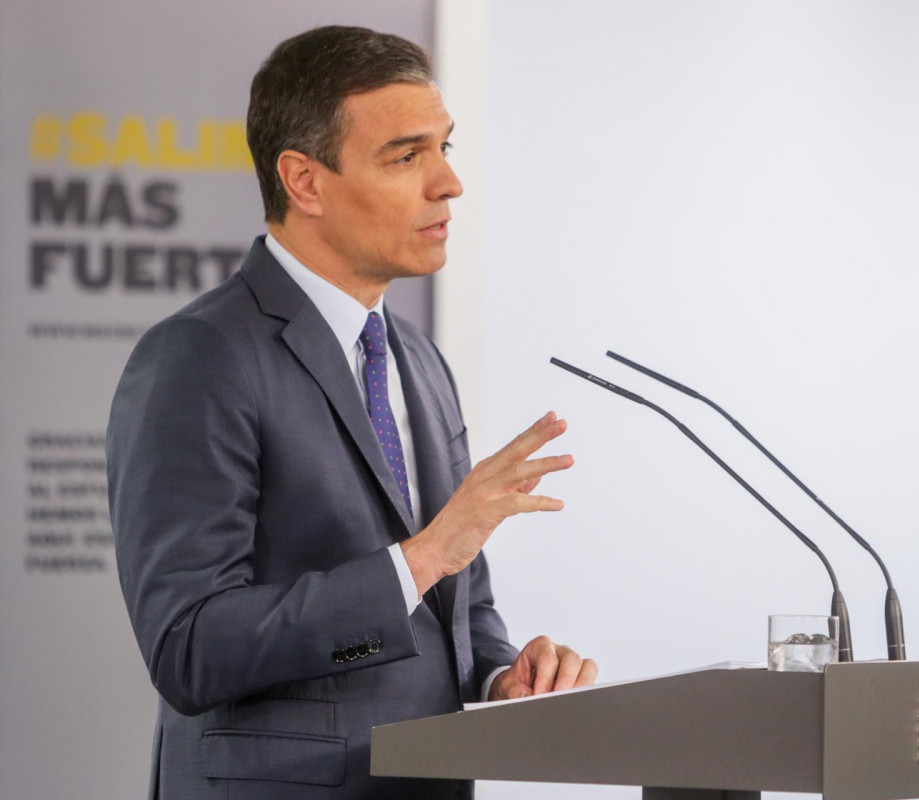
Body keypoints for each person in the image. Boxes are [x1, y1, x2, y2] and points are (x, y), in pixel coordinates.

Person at [106, 25, 596, 800]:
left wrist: (502, 674)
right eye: (406, 156)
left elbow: (456, 605)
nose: (448, 183)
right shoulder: (198, 356)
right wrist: (419, 560)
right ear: (304, 181)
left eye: (444, 147)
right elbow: (189, 648)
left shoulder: (419, 360)